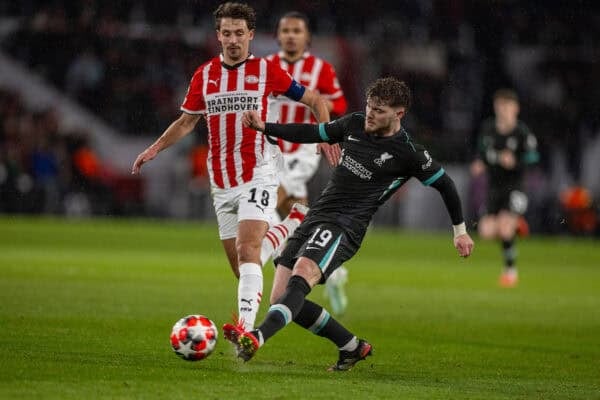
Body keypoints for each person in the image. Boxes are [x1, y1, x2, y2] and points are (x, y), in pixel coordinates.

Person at [224, 77, 474, 370]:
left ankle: (257, 337)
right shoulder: (355, 124)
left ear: (399, 114)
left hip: (345, 227)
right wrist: (266, 126)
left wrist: (460, 232)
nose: (370, 114)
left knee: (302, 275)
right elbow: (312, 132)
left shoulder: (409, 153)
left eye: (379, 110)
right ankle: (352, 346)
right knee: (281, 297)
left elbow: (446, 185)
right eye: (369, 106)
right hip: (316, 216)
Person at [131, 2, 334, 335]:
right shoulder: (205, 74)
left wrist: (325, 134)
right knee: (243, 268)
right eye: (227, 33)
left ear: (251, 35)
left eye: (240, 33)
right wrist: (154, 147)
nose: (233, 40)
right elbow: (186, 122)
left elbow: (315, 100)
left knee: (248, 248)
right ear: (218, 36)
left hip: (260, 170)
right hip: (222, 180)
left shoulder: (267, 71)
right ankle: (292, 223)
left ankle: (245, 331)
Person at [266, 11, 350, 316]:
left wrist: (307, 98)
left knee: (273, 201)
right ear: (277, 36)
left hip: (303, 149)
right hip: (272, 148)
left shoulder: (321, 69)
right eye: (285, 30)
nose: (290, 35)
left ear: (307, 37)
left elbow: (339, 104)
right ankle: (330, 271)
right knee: (294, 212)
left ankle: (272, 260)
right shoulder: (267, 67)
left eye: (296, 30)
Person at [470, 89, 539, 287]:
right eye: (500, 106)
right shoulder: (488, 129)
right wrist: (479, 164)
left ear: (516, 109)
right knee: (485, 231)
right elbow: (483, 154)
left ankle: (510, 272)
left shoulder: (522, 132)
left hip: (515, 187)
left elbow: (533, 157)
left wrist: (515, 160)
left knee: (505, 227)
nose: (503, 111)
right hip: (494, 188)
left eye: (507, 107)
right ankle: (517, 224)